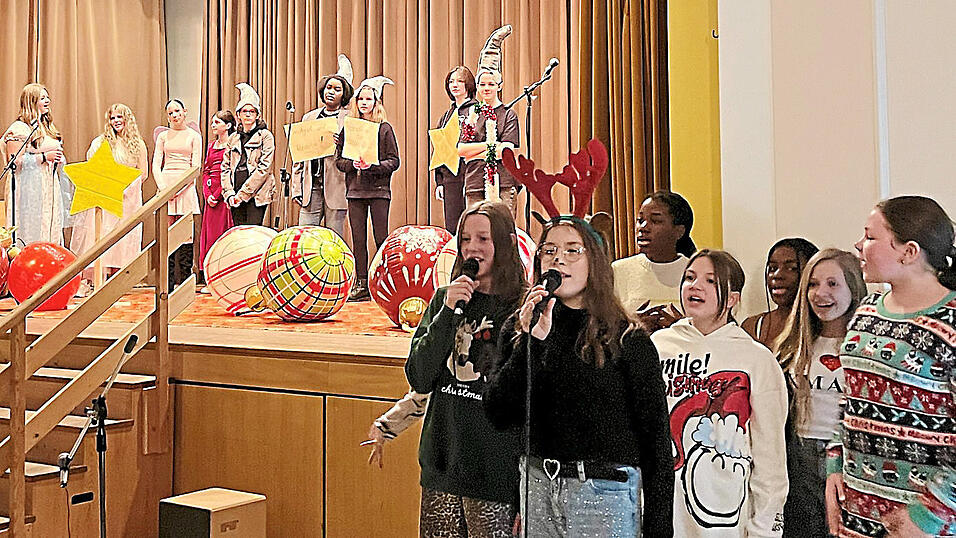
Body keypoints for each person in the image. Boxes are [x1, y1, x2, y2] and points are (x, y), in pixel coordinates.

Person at [484, 217, 674, 537]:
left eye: (573, 250)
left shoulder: (627, 340)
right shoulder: (522, 330)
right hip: (539, 487)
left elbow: (656, 442)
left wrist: (658, 526)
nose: (559, 259)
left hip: (602, 494)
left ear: (594, 263)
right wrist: (532, 343)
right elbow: (499, 414)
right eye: (549, 250)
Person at [827, 196, 955, 538]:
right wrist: (835, 466)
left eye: (870, 237)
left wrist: (930, 514)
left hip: (925, 526)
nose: (859, 245)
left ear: (908, 252)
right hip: (856, 515)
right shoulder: (867, 310)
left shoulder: (951, 322)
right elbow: (850, 400)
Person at [402, 201, 527, 537]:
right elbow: (420, 376)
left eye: (483, 239)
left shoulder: (521, 308)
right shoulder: (446, 299)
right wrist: (447, 313)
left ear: (505, 244)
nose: (472, 247)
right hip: (443, 467)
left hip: (495, 477)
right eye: (466, 239)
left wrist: (525, 496)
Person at [651, 249, 789, 537]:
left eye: (711, 281)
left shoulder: (756, 359)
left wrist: (766, 527)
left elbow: (770, 455)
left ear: (734, 299)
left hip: (726, 508)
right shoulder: (658, 345)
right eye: (689, 277)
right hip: (664, 505)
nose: (695, 286)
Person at [774, 249, 866, 538]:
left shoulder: (867, 345)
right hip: (798, 457)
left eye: (833, 284)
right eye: (813, 284)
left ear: (854, 288)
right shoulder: (794, 345)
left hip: (848, 457)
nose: (820, 293)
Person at [71, 103, 148, 292]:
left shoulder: (138, 143)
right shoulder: (101, 142)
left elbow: (143, 173)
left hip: (129, 198)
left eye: (119, 117)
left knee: (125, 237)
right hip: (107, 198)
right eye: (112, 118)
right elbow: (94, 169)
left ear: (127, 118)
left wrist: (126, 186)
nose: (116, 121)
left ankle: (121, 280)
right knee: (103, 234)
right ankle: (97, 280)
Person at [336, 76, 400, 302]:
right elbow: (339, 161)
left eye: (368, 99)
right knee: (358, 238)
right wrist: (352, 164)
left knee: (381, 237)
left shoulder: (384, 129)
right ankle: (361, 283)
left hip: (379, 191)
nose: (364, 103)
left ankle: (383, 282)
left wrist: (372, 166)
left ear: (376, 102)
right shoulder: (349, 129)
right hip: (355, 192)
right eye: (360, 99)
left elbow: (394, 161)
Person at [612, 190, 696, 332]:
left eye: (655, 221)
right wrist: (634, 324)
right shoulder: (618, 270)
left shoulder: (696, 272)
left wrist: (681, 327)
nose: (643, 228)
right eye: (640, 220)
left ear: (679, 231)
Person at [457, 25, 519, 214]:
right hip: (475, 184)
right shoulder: (472, 115)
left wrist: (477, 150)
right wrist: (492, 146)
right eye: (482, 84)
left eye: (491, 84)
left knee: (502, 235)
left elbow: (506, 151)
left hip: (503, 185)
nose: (486, 88)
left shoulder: (508, 114)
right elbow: (461, 150)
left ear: (499, 86)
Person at [3, 83, 72, 246]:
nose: (47, 100)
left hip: (48, 188)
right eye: (42, 98)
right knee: (29, 233)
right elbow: (15, 162)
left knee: (48, 232)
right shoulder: (19, 128)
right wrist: (43, 157)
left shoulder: (46, 127)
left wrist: (57, 160)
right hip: (27, 191)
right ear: (31, 102)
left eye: (47, 97)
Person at [292, 55, 353, 237]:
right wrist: (297, 187)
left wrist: (341, 144)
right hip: (311, 188)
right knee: (305, 237)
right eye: (328, 88)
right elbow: (299, 157)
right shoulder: (309, 117)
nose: (331, 92)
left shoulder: (349, 119)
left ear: (344, 94)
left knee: (334, 239)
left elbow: (356, 152)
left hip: (337, 187)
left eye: (337, 89)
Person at [151, 98, 202, 289]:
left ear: (184, 112)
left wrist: (179, 189)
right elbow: (156, 164)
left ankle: (187, 281)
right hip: (166, 184)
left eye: (177, 111)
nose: (174, 115)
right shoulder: (164, 137)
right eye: (171, 113)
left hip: (185, 187)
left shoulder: (194, 136)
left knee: (186, 235)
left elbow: (195, 167)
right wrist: (164, 188)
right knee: (167, 234)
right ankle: (168, 282)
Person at [743, 238, 820, 349]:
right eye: (773, 268)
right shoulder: (752, 326)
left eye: (791, 268)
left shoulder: (825, 328)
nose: (777, 275)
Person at [221, 83, 276, 227]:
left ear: (257, 115)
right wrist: (229, 193)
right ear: (238, 114)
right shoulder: (233, 138)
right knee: (238, 233)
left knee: (252, 233)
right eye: (244, 111)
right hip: (235, 193)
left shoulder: (265, 136)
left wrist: (243, 194)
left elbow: (264, 168)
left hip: (256, 195)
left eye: (251, 111)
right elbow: (225, 168)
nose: (247, 114)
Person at [434, 66, 478, 233]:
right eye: (451, 81)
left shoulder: (477, 110)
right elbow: (440, 149)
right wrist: (439, 181)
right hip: (450, 178)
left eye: (460, 81)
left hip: (472, 175)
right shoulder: (446, 116)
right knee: (453, 227)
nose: (455, 85)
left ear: (468, 84)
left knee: (472, 224)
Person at [198, 110, 236, 272]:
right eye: (213, 122)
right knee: (210, 236)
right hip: (210, 198)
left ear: (228, 126)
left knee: (222, 235)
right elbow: (206, 170)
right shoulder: (211, 146)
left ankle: (223, 273)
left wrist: (218, 194)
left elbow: (230, 171)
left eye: (217, 122)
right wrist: (207, 194)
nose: (213, 125)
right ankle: (209, 274)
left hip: (224, 196)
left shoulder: (233, 145)